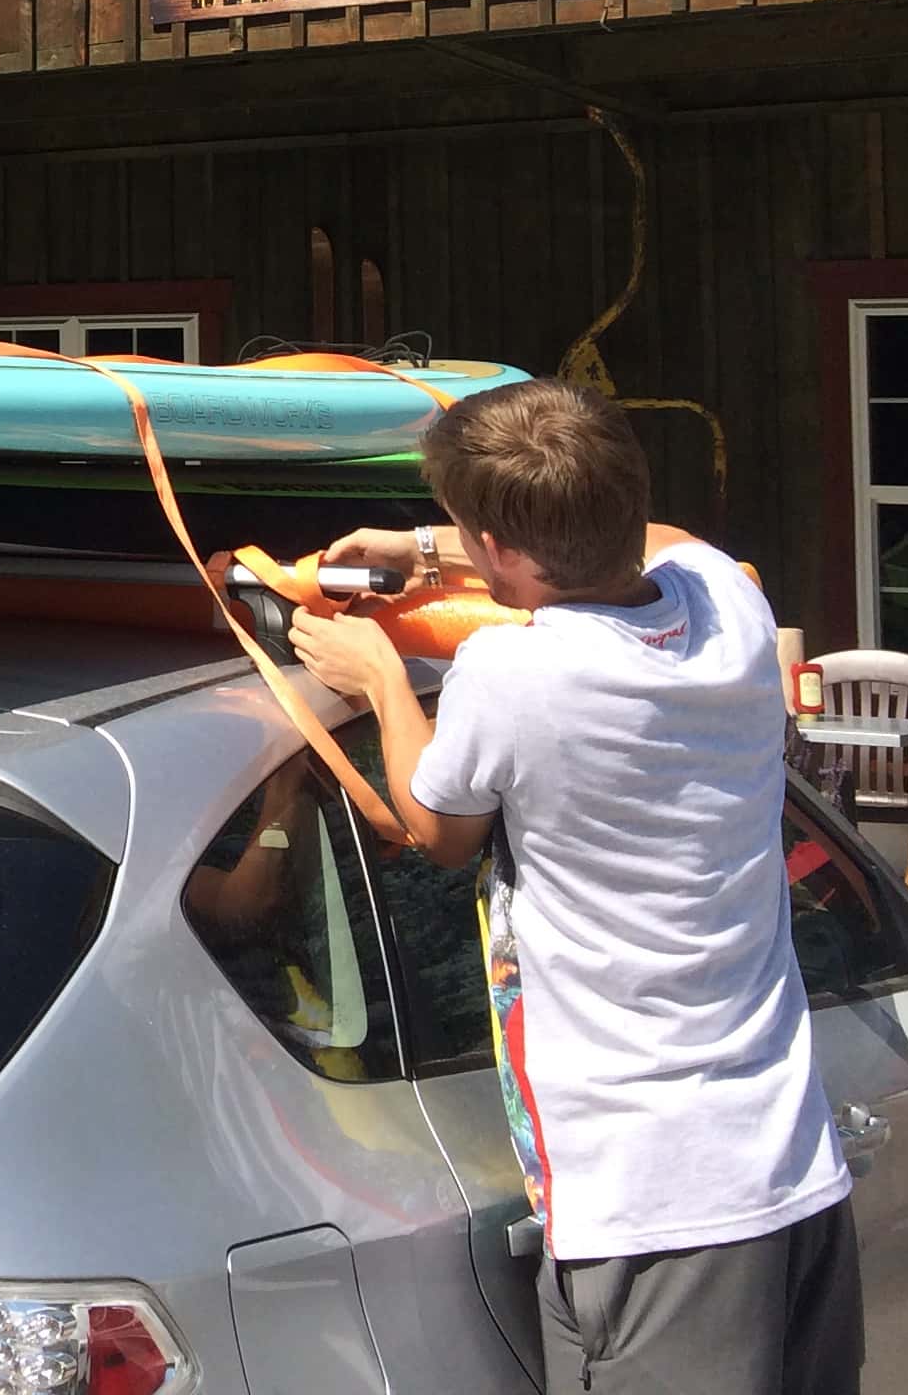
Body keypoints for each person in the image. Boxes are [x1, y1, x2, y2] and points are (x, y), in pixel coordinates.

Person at [285, 378, 860, 1395]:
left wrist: (376, 676)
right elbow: (674, 538)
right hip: (792, 1172)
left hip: (654, 1202)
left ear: (500, 548)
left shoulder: (512, 676)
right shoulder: (729, 606)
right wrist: (427, 547)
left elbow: (440, 829)